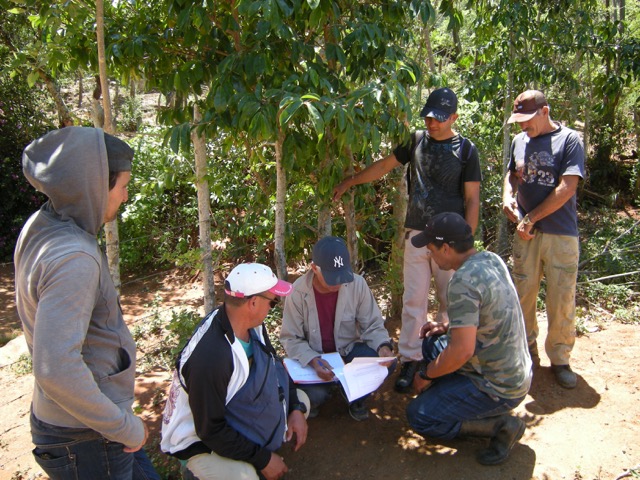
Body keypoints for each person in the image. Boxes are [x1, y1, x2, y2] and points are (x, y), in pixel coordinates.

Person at [14, 127, 158, 479]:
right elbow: (57, 369)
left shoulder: (43, 225)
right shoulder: (75, 257)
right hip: (86, 437)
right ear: (95, 186)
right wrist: (124, 427)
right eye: (122, 186)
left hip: (84, 426)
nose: (124, 197)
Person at [333, 87, 482, 392]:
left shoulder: (465, 150)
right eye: (428, 117)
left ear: (454, 117)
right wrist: (352, 180)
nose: (432, 123)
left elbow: (472, 199)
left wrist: (465, 245)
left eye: (440, 119)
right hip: (418, 233)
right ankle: (412, 358)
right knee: (414, 299)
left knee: (450, 300)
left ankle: (444, 359)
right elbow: (385, 166)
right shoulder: (415, 141)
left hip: (450, 242)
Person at [405, 212, 532, 465]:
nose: (430, 254)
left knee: (419, 415)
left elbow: (462, 351)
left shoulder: (462, 281)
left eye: (431, 248)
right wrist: (449, 326)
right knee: (432, 340)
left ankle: (501, 425)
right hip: (515, 371)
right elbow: (489, 311)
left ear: (445, 248)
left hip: (499, 386)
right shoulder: (490, 259)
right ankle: (450, 393)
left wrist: (426, 374)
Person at [161, 263, 309, 480]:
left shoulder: (251, 324)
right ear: (253, 302)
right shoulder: (211, 358)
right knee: (245, 476)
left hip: (235, 412)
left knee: (303, 400)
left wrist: (295, 407)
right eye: (273, 302)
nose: (272, 307)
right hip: (198, 439)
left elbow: (274, 365)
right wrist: (263, 459)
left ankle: (257, 449)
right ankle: (197, 472)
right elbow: (210, 430)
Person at [502, 90, 585, 389]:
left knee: (561, 296)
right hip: (526, 233)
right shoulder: (519, 141)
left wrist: (532, 217)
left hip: (560, 233)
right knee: (523, 291)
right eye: (518, 120)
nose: (523, 126)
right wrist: (507, 196)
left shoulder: (570, 140)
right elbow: (512, 175)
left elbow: (568, 187)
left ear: (545, 111)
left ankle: (560, 358)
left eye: (527, 119)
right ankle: (527, 349)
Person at [280, 236, 396, 421]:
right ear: (314, 268)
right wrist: (313, 360)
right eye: (331, 278)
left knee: (383, 364)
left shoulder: (357, 285)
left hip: (349, 352)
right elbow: (290, 338)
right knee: (314, 395)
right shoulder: (297, 292)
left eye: (341, 276)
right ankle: (323, 394)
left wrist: (382, 346)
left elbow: (373, 325)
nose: (337, 283)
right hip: (316, 357)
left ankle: (353, 397)